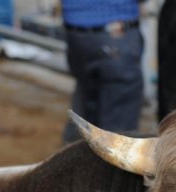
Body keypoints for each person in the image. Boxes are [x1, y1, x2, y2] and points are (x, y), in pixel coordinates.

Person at [60, 0, 145, 144]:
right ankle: (105, 162)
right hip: (114, 35)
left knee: (86, 101)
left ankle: (73, 155)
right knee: (118, 130)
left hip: (76, 34)